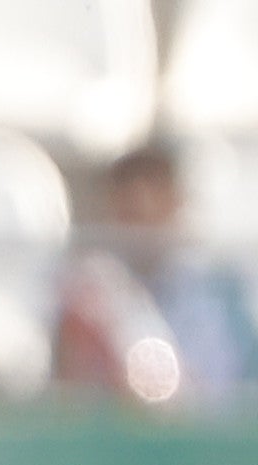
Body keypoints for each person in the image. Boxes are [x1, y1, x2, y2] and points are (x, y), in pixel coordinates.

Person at [59, 141, 252, 405]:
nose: (140, 225)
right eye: (130, 213)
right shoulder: (87, 292)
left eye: (151, 208)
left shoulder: (218, 291)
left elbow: (225, 395)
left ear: (176, 203)